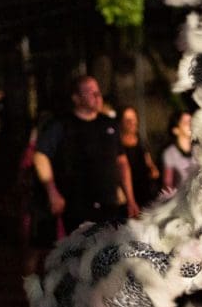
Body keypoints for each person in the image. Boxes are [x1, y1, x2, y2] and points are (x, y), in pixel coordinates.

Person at [34, 75, 139, 234]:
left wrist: (130, 198)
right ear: (76, 98)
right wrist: (52, 191)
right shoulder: (62, 125)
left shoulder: (109, 125)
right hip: (78, 205)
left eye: (98, 91)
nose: (97, 96)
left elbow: (122, 162)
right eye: (90, 92)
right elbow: (40, 155)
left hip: (109, 203)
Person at [120, 106, 160, 208]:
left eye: (133, 118)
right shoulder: (117, 144)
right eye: (127, 119)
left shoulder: (141, 141)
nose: (131, 122)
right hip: (127, 191)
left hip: (143, 189)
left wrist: (152, 169)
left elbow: (148, 161)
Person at [161, 110, 197, 192]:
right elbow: (167, 185)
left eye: (191, 121)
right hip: (182, 200)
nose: (191, 125)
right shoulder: (170, 153)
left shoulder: (198, 150)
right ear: (176, 130)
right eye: (186, 122)